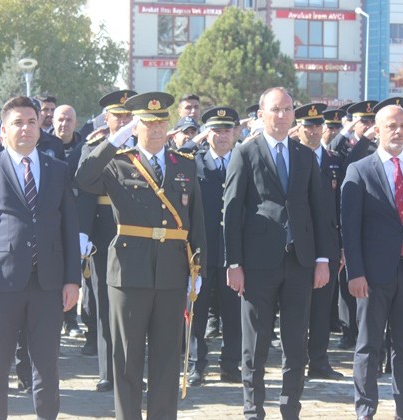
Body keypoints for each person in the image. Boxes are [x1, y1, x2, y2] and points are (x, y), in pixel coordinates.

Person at [75, 92, 206, 420]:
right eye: (149, 122)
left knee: (166, 361)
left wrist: (198, 267)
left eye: (162, 121)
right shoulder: (117, 162)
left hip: (172, 272)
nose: (158, 128)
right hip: (128, 273)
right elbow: (82, 177)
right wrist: (114, 140)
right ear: (136, 126)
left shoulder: (185, 165)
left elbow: (197, 223)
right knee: (127, 361)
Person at [0, 96, 80, 419]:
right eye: (17, 123)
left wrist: (72, 279)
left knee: (46, 366)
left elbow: (69, 228)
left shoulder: (57, 170)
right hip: (2, 285)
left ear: (39, 128)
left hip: (49, 283)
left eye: (31, 122)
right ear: (3, 131)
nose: (26, 128)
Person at [223, 87, 330, 419]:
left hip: (299, 262)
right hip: (257, 264)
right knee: (255, 343)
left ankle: (290, 408)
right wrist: (234, 262)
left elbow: (319, 210)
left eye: (287, 109)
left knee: (295, 343)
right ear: (261, 114)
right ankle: (253, 410)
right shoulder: (245, 152)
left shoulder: (304, 155)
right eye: (275, 109)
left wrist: (323, 259)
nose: (282, 115)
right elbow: (232, 210)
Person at [341, 104, 403, 420]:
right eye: (391, 126)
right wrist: (355, 272)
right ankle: (366, 409)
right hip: (372, 275)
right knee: (368, 346)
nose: (399, 132)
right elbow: (350, 227)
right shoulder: (359, 170)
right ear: (378, 130)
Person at [76, 89, 137, 391]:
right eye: (119, 116)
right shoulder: (94, 147)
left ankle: (135, 369)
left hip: (141, 232)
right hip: (105, 231)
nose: (124, 120)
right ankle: (107, 372)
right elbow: (85, 192)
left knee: (137, 304)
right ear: (107, 119)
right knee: (103, 301)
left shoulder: (148, 147)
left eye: (129, 115)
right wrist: (83, 232)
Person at [187, 106, 242, 387]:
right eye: (216, 130)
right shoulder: (192, 163)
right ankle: (197, 365)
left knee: (234, 311)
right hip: (201, 250)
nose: (222, 136)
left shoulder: (244, 161)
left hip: (234, 251)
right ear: (207, 133)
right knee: (197, 311)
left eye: (227, 130)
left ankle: (231, 365)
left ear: (235, 133)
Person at [291, 103, 346, 381]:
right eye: (307, 126)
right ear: (298, 128)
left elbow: (343, 206)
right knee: (299, 307)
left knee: (324, 306)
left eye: (317, 126)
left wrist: (342, 247)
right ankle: (297, 361)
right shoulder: (292, 157)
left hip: (329, 241)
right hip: (300, 243)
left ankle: (319, 361)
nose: (313, 131)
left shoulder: (334, 159)